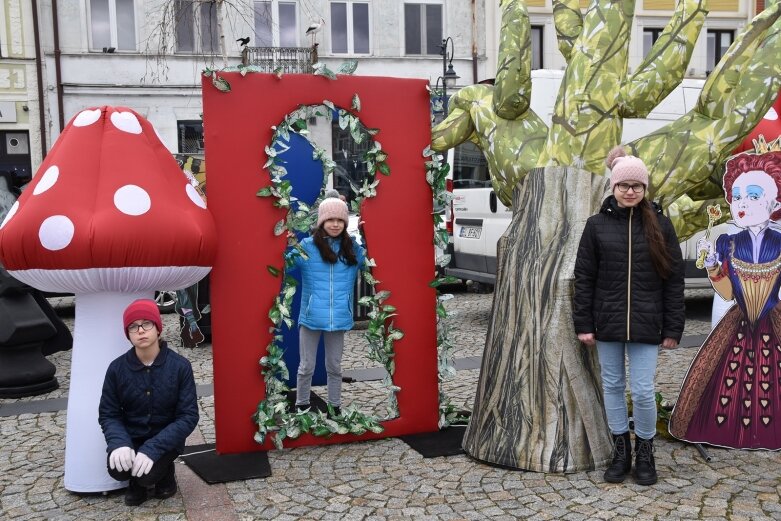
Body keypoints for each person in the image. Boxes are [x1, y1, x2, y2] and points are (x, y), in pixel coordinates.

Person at [573, 146, 685, 486]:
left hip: (648, 323)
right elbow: (585, 277)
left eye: (637, 185)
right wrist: (583, 324)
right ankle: (620, 450)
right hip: (606, 322)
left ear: (645, 189)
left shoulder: (662, 226)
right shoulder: (596, 226)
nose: (631, 191)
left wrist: (673, 327)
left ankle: (645, 451)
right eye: (624, 185)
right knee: (612, 385)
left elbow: (674, 279)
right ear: (613, 187)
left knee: (641, 390)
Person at [670, 151, 781, 449]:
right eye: (737, 196)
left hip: (774, 320)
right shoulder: (727, 243)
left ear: (775, 202)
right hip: (737, 322)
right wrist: (713, 266)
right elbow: (728, 293)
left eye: (753, 195)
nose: (743, 203)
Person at [98, 299, 198, 506]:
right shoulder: (116, 369)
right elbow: (109, 413)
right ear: (128, 333)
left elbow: (188, 416)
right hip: (132, 437)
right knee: (118, 469)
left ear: (158, 328)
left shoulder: (180, 367)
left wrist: (153, 449)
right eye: (133, 326)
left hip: (166, 439)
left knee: (147, 475)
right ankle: (135, 481)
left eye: (147, 324)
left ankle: (164, 473)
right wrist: (119, 443)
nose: (140, 330)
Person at [289, 197, 365, 416]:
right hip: (311, 317)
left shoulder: (352, 248)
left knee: (334, 367)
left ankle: (335, 407)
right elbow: (286, 263)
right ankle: (302, 404)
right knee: (306, 366)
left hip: (339, 318)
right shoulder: (307, 247)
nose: (334, 224)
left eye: (339, 220)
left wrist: (369, 236)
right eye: (329, 219)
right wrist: (287, 245)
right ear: (321, 222)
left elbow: (371, 264)